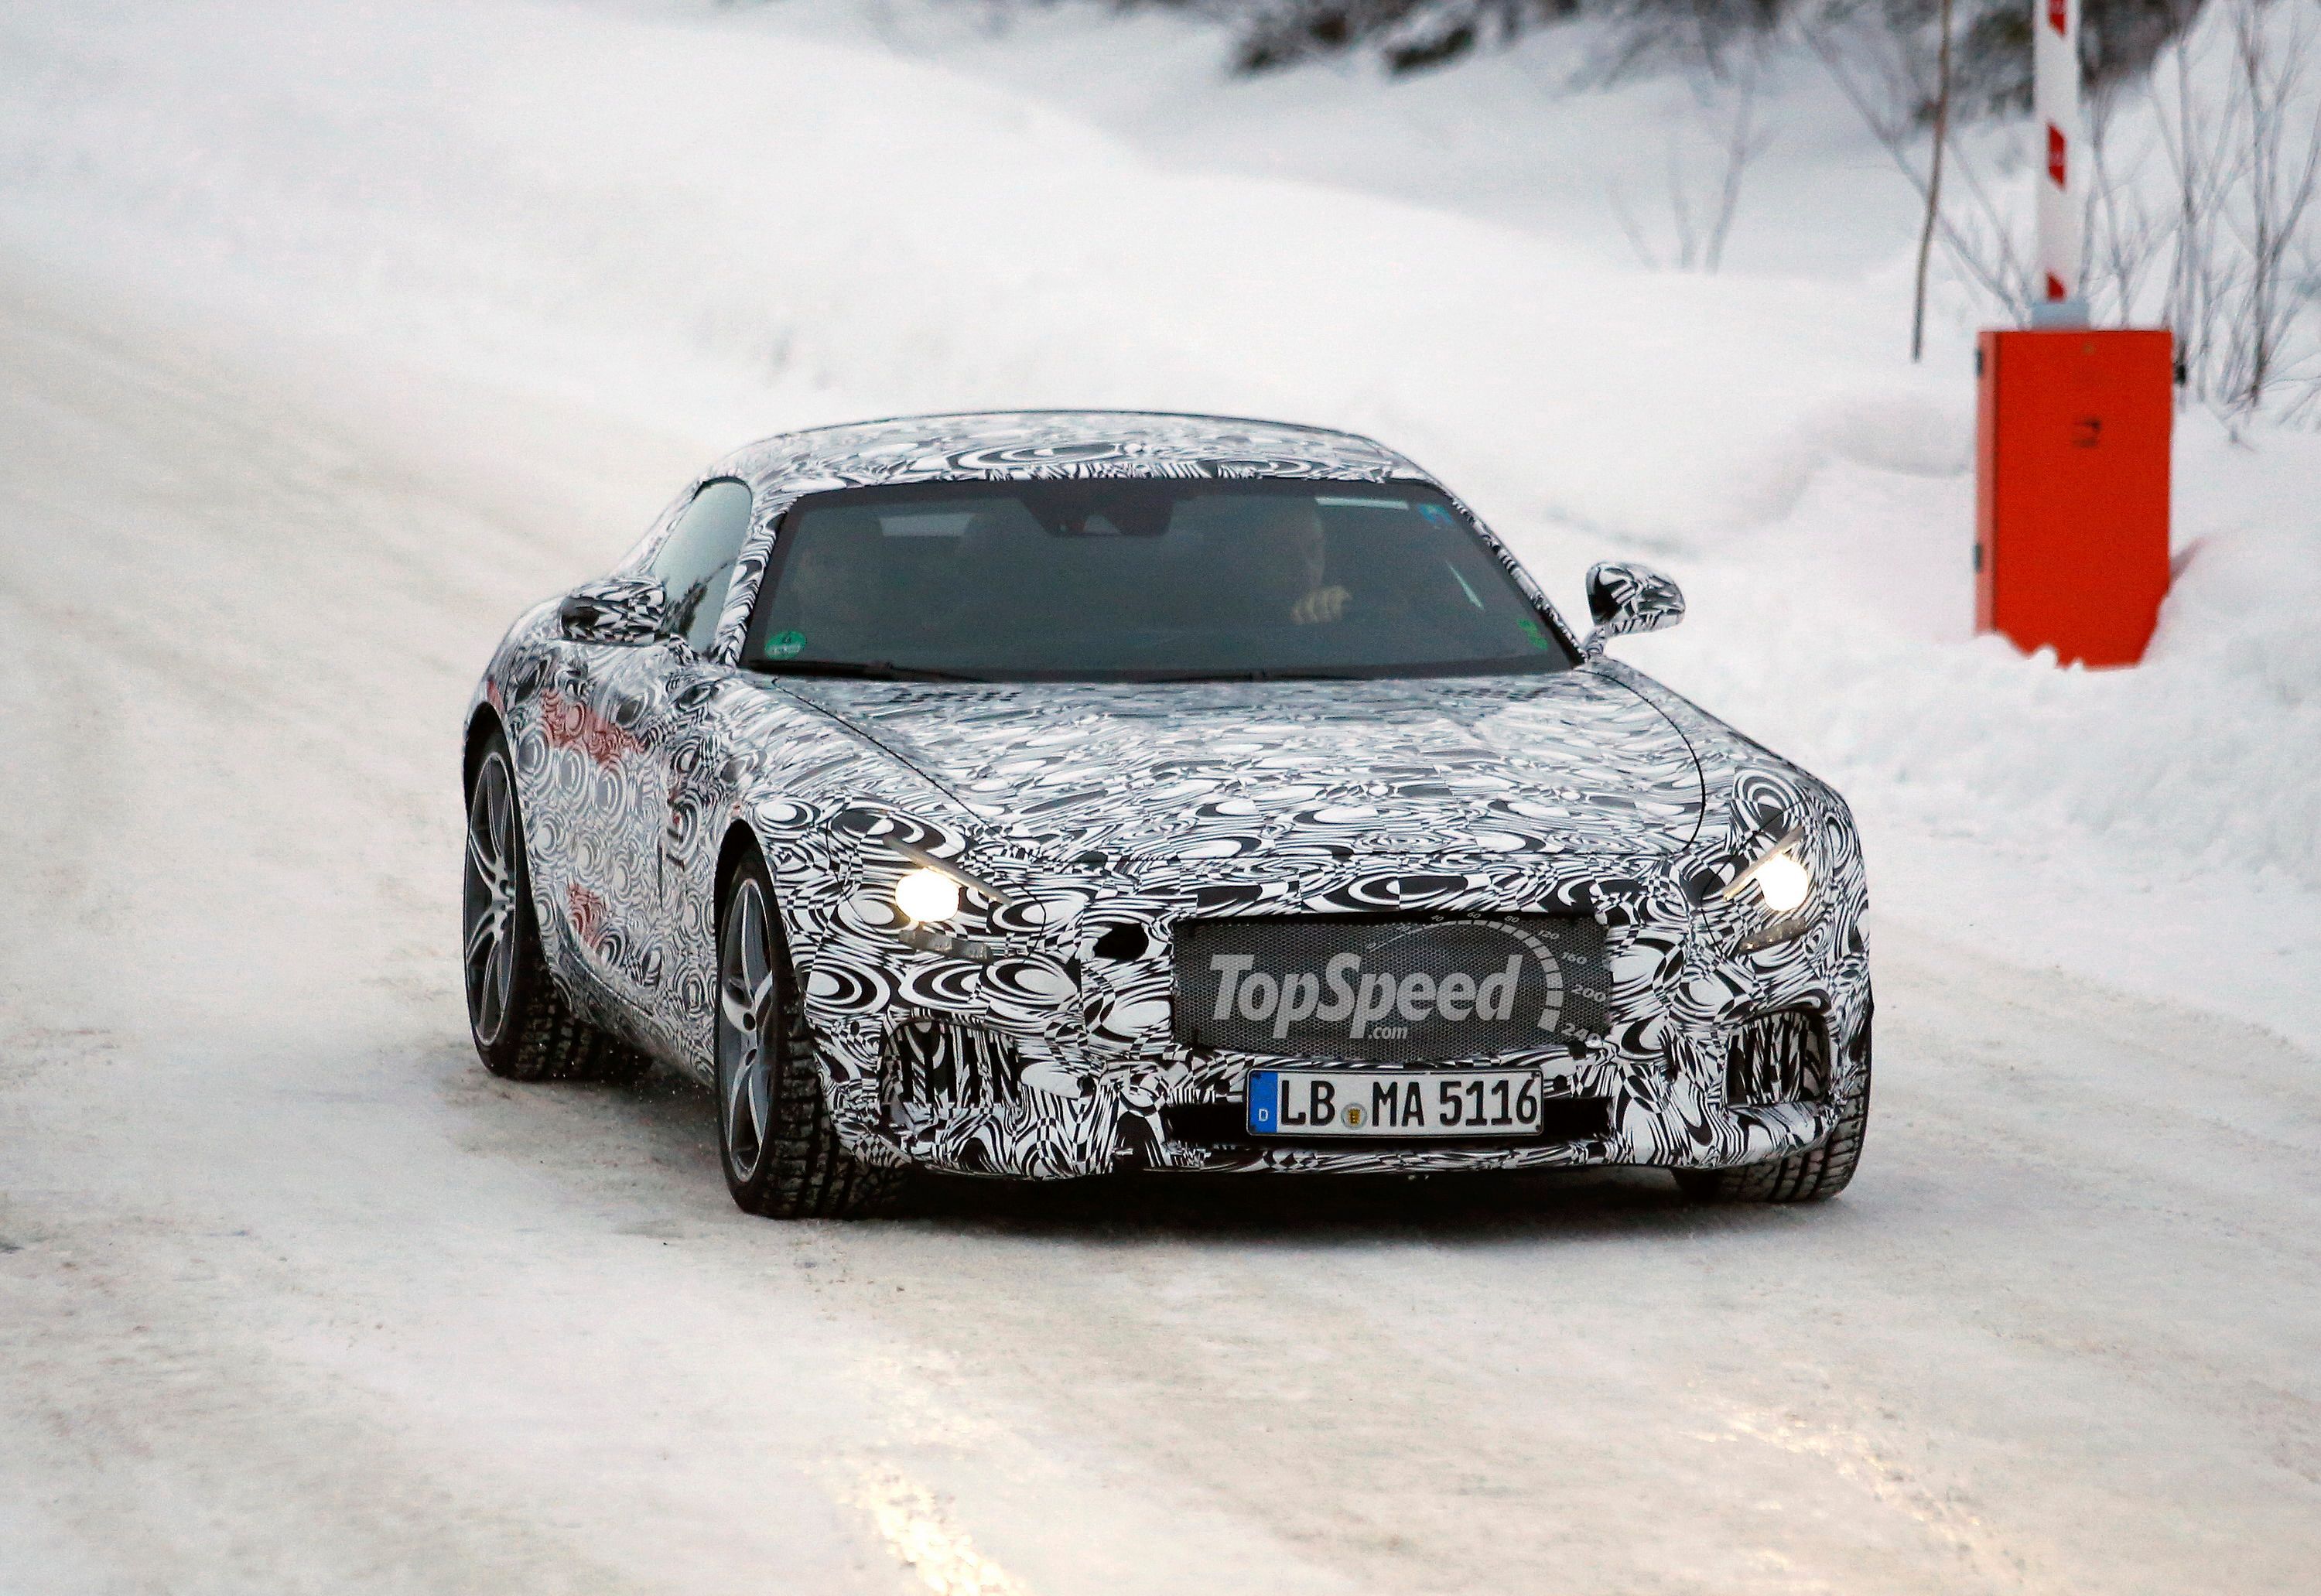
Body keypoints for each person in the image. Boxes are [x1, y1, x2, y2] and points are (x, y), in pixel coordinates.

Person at [1236, 497, 1351, 626]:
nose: (1306, 569)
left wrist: (1345, 607)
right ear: (1252, 560)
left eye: (1314, 551)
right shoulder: (1228, 622)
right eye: (1285, 555)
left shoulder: (1347, 611)